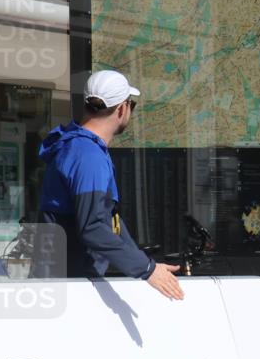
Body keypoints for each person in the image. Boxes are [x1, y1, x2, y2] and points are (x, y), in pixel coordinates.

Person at [37, 70, 184, 299]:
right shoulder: (88, 156)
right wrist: (146, 270)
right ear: (121, 109)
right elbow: (93, 227)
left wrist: (147, 265)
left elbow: (109, 219)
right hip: (70, 288)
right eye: (131, 105)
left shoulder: (78, 146)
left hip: (65, 282)